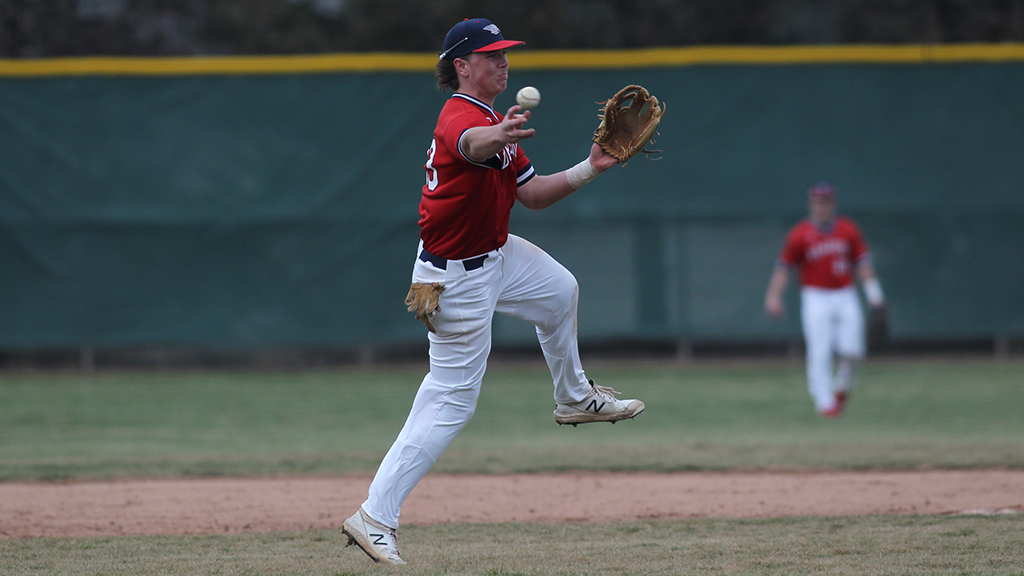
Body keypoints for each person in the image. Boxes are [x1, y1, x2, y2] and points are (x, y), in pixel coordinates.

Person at [341, 18, 645, 565]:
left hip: (494, 254)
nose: (503, 63)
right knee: (450, 400)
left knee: (558, 291)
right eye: (491, 55)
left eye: (505, 54)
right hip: (455, 277)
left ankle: (574, 398)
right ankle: (374, 517)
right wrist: (497, 136)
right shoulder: (464, 117)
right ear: (461, 66)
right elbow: (469, 144)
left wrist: (591, 167)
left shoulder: (490, 119)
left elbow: (532, 196)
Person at [764, 182, 886, 418]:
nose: (823, 207)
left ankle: (842, 387)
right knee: (820, 351)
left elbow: (863, 264)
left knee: (854, 350)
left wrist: (875, 296)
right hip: (815, 296)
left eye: (827, 202)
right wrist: (773, 296)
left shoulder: (848, 230)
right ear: (811, 204)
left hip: (844, 294)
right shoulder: (800, 234)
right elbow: (784, 268)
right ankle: (824, 402)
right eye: (819, 202)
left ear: (833, 204)